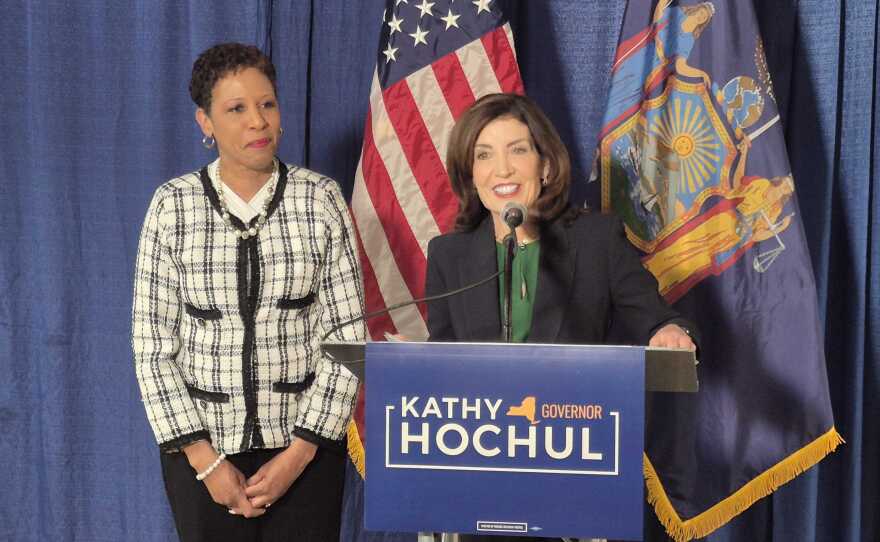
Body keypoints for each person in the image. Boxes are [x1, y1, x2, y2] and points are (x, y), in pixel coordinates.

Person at [424, 93, 697, 542]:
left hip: (575, 476)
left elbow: (659, 318)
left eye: (518, 150)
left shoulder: (595, 240)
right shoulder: (449, 255)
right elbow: (444, 362)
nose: (503, 170)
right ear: (471, 174)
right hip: (482, 480)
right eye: (484, 155)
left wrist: (670, 330)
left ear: (545, 165)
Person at [131, 43, 364, 542]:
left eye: (267, 104)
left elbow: (348, 340)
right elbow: (152, 350)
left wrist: (299, 454)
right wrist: (207, 462)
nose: (257, 121)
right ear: (206, 123)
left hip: (306, 453)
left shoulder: (321, 200)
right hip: (201, 455)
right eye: (236, 109)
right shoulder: (173, 206)